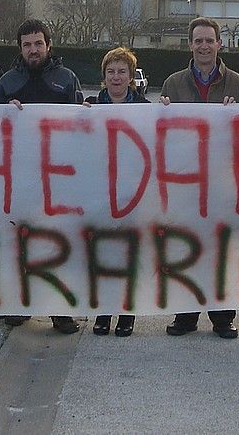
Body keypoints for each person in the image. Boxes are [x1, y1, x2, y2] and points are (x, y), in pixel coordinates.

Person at [0, 19, 83, 334]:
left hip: (59, 176)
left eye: (38, 44)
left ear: (48, 45)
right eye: (27, 44)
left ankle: (60, 309)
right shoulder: (7, 82)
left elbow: (81, 126)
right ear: (20, 48)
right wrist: (4, 112)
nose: (33, 49)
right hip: (20, 176)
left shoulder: (66, 78)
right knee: (20, 240)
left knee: (58, 242)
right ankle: (20, 303)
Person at [159, 16, 239, 338]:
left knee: (222, 249)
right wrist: (163, 113)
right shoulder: (172, 84)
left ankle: (223, 317)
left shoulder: (237, 83)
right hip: (186, 180)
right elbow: (161, 134)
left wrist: (238, 112)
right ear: (190, 44)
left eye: (209, 40)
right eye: (198, 40)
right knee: (186, 247)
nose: (204, 46)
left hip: (223, 181)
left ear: (219, 44)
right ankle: (186, 315)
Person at [85, 46, 148, 337]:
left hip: (134, 191)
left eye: (122, 71)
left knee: (129, 253)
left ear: (131, 76)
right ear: (104, 77)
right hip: (100, 190)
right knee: (103, 252)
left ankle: (126, 312)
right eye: (111, 71)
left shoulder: (146, 108)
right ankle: (103, 311)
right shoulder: (90, 107)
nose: (116, 76)